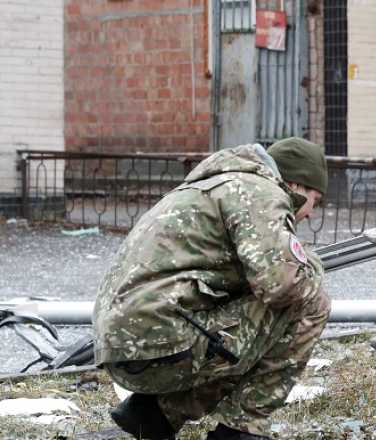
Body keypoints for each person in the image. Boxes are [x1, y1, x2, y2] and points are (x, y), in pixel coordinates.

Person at [93, 137, 331, 440]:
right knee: (310, 302)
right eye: (315, 200)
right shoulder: (259, 192)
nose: (310, 213)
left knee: (250, 321)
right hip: (158, 343)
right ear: (297, 184)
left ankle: (157, 414)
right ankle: (241, 430)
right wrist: (310, 265)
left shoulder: (219, 184)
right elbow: (281, 286)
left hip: (124, 344)